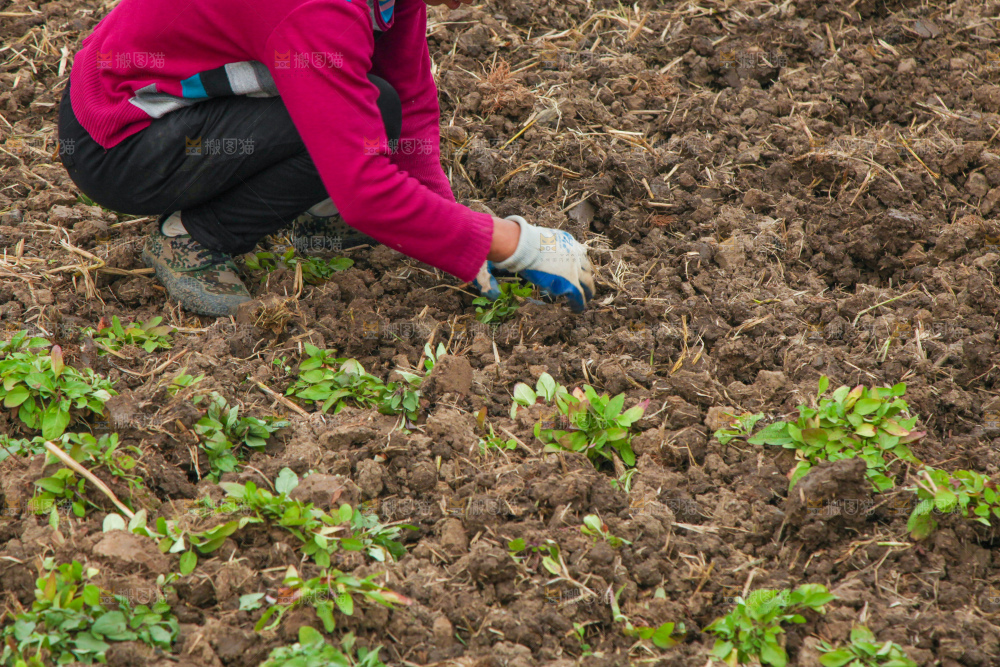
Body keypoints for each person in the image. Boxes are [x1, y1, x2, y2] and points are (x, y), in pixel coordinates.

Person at [57, 0, 595, 317]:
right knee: (347, 144)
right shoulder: (315, 10)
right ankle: (193, 237)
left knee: (379, 105)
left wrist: (455, 232)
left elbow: (408, 102)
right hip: (123, 141)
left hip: (194, 112)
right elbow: (365, 191)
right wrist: (516, 245)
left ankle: (315, 210)